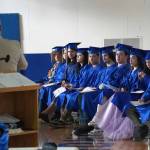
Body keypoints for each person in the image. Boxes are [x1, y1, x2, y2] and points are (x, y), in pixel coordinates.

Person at [90, 48, 148, 140]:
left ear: (139, 60)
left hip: (138, 95)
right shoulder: (131, 72)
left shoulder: (141, 72)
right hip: (130, 94)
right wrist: (123, 87)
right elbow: (125, 84)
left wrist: (141, 80)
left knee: (117, 96)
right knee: (117, 96)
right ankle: (101, 120)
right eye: (130, 58)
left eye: (133, 58)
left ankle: (100, 120)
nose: (131, 60)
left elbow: (142, 87)